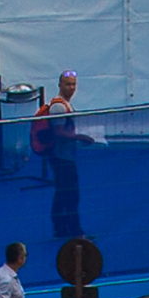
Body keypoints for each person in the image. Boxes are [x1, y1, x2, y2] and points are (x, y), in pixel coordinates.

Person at [47, 70, 93, 238]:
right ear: (60, 85)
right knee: (71, 195)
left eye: (73, 84)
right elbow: (58, 132)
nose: (71, 88)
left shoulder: (64, 104)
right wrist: (80, 137)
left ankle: (60, 228)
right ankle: (75, 231)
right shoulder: (59, 107)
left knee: (62, 193)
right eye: (68, 84)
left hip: (63, 155)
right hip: (62, 157)